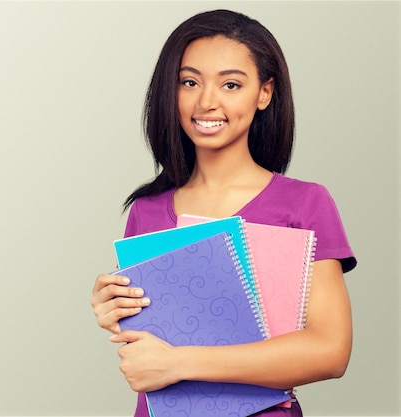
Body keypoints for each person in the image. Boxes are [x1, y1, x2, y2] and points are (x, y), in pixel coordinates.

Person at [90, 9, 357, 417]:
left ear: (264, 93)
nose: (207, 101)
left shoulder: (304, 204)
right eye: (190, 82)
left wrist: (180, 363)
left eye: (231, 84)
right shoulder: (146, 212)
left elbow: (329, 351)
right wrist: (115, 312)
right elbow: (150, 343)